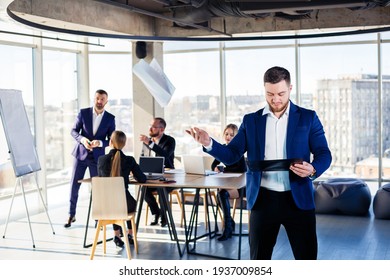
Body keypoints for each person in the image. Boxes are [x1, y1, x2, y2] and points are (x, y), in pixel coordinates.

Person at [186, 66, 332, 260]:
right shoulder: (251, 121)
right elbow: (232, 155)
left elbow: (324, 153)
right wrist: (209, 143)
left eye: (281, 93)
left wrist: (313, 168)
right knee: (258, 261)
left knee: (306, 259)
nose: (275, 99)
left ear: (290, 88)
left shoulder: (308, 117)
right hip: (262, 201)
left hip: (298, 200)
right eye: (270, 94)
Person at [64, 89, 116, 228]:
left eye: (102, 99)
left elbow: (112, 140)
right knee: (74, 185)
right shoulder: (83, 113)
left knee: (98, 188)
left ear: (106, 101)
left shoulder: (110, 118)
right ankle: (71, 214)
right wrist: (82, 139)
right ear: (94, 99)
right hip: (80, 155)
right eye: (97, 98)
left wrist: (100, 143)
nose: (99, 101)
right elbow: (73, 131)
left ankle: (98, 217)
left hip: (97, 158)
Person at [98, 130, 147, 247]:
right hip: (123, 203)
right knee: (131, 203)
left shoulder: (101, 160)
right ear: (124, 144)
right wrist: (132, 174)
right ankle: (130, 234)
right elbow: (142, 179)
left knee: (114, 205)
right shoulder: (129, 160)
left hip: (105, 204)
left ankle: (117, 235)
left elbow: (101, 178)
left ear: (110, 142)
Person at [210, 124, 247, 241]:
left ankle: (228, 228)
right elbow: (213, 164)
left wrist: (225, 169)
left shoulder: (238, 151)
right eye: (226, 134)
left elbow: (242, 170)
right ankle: (230, 222)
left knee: (221, 194)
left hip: (240, 186)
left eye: (232, 135)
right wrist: (216, 168)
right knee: (219, 194)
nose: (228, 137)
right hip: (226, 183)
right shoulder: (221, 148)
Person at [139, 117, 176, 227]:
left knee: (161, 189)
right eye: (150, 126)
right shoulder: (148, 142)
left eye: (153, 127)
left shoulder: (170, 141)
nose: (150, 129)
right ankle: (156, 212)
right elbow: (143, 158)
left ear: (162, 129)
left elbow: (165, 154)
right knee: (143, 189)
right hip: (151, 175)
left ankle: (164, 216)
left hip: (168, 177)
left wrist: (150, 143)